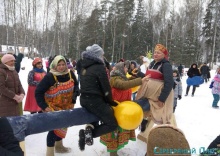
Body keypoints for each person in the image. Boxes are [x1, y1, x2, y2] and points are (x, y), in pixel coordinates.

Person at [100, 62, 149, 156]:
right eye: (126, 68)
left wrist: (138, 75)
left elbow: (128, 81)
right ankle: (113, 153)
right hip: (114, 111)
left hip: (122, 112)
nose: (127, 70)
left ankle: (115, 150)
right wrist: (140, 80)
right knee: (114, 131)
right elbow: (123, 85)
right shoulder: (114, 79)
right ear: (120, 69)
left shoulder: (122, 77)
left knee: (119, 131)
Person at [35, 55, 80, 156]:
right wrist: (43, 106)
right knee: (54, 129)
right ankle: (50, 153)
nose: (61, 67)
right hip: (53, 107)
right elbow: (38, 92)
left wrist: (75, 94)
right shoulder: (50, 77)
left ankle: (59, 146)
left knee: (63, 126)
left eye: (63, 64)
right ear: (54, 65)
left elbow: (76, 85)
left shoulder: (70, 73)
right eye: (59, 65)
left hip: (67, 106)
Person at [78, 44, 118, 151]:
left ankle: (90, 128)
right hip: (94, 100)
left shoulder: (84, 65)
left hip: (84, 99)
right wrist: (110, 101)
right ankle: (88, 134)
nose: (103, 57)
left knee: (95, 116)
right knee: (112, 124)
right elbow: (106, 88)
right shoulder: (99, 67)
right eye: (102, 55)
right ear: (97, 55)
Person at [135, 43, 174, 128]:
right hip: (148, 93)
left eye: (158, 53)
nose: (155, 54)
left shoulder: (165, 65)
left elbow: (169, 82)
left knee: (141, 106)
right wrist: (138, 74)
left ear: (164, 55)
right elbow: (148, 77)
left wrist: (162, 98)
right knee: (141, 106)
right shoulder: (152, 63)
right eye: (155, 52)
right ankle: (144, 121)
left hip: (156, 96)